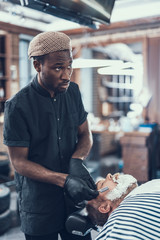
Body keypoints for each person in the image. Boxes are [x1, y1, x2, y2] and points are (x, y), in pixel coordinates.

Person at [3, 31, 99, 240]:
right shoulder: (17, 106)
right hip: (39, 205)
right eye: (58, 68)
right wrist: (64, 180)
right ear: (37, 65)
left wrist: (77, 159)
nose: (66, 74)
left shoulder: (73, 91)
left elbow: (85, 134)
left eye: (69, 66)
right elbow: (19, 162)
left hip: (74, 203)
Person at [86, 173, 160, 240]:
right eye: (102, 184)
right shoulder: (119, 225)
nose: (109, 175)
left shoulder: (149, 186)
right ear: (105, 207)